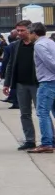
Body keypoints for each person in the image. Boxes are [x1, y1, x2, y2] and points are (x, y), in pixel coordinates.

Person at [1, 22, 40, 149]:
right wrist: (7, 83)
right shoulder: (16, 45)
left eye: (22, 30)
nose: (19, 33)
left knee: (42, 113)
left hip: (37, 84)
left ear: (30, 30)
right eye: (18, 30)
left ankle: (49, 138)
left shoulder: (38, 45)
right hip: (21, 84)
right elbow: (11, 64)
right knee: (24, 113)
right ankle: (30, 140)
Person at [34, 24, 55, 155]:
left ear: (33, 33)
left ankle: (47, 142)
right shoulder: (51, 42)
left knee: (42, 112)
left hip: (47, 81)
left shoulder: (39, 45)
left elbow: (50, 62)